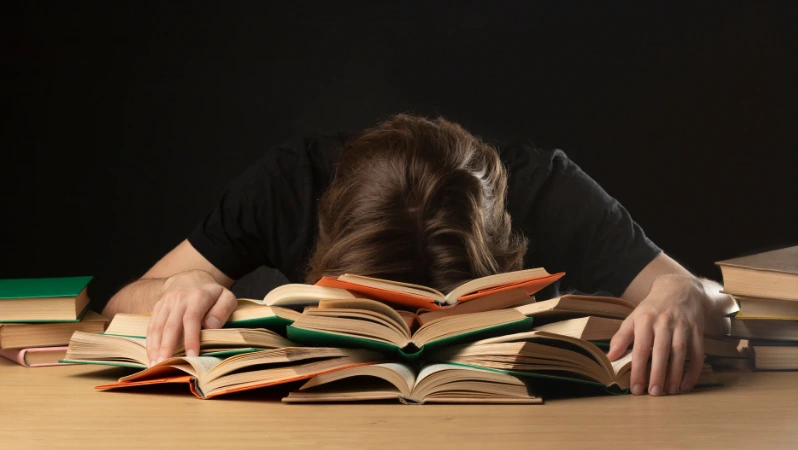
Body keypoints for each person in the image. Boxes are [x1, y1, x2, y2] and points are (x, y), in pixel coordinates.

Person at [102, 114, 735, 397]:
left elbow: (705, 300)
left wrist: (683, 291)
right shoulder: (288, 183)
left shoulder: (547, 189)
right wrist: (177, 286)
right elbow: (120, 304)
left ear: (502, 242)